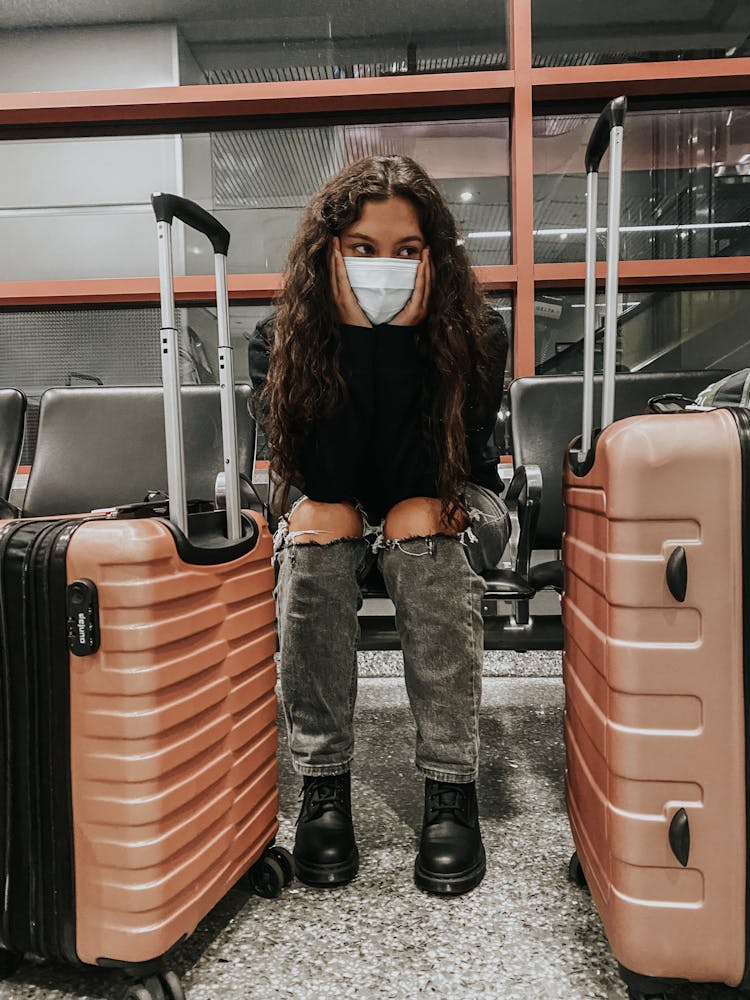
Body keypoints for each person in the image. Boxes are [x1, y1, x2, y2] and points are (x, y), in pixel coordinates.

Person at [248, 154, 509, 896]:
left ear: (435, 257)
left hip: (453, 503)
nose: (383, 266)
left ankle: (450, 790)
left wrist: (394, 346)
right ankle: (323, 788)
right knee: (320, 539)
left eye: (406, 251)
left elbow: (433, 472)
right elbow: (322, 475)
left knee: (420, 530)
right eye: (362, 249)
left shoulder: (477, 335)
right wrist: (358, 337)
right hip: (337, 510)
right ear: (328, 251)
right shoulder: (280, 339)